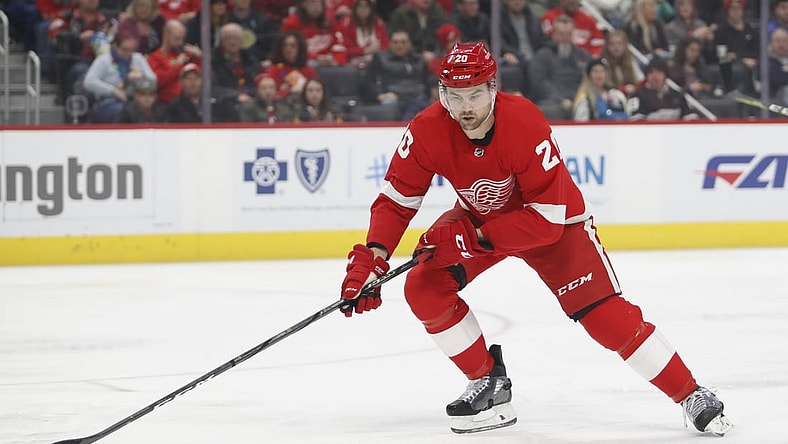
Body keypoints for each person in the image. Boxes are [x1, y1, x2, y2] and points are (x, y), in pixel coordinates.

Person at [338, 41, 733, 436]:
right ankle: (489, 382)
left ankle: (690, 393)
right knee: (424, 286)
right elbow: (396, 199)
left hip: (555, 226)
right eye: (454, 97)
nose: (465, 108)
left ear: (493, 88)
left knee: (605, 319)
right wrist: (373, 257)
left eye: (475, 94)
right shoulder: (427, 128)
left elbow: (546, 221)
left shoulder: (524, 121)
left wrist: (465, 238)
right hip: (482, 219)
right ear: (443, 94)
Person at [83, 31, 156, 122]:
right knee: (126, 112)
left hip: (136, 101)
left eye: (131, 49)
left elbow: (153, 79)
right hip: (108, 102)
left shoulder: (137, 58)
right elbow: (89, 82)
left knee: (156, 110)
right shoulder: (104, 60)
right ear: (115, 46)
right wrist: (113, 91)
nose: (128, 53)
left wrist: (142, 76)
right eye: (125, 49)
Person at [528, 15, 591, 120]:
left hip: (579, 100)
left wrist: (578, 99)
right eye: (561, 34)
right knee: (548, 111)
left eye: (569, 34)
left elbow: (588, 80)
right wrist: (561, 100)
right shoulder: (542, 55)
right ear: (553, 34)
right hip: (551, 101)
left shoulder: (583, 56)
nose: (565, 38)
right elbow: (539, 83)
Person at [146, 19, 202, 104]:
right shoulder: (154, 57)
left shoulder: (187, 54)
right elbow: (157, 82)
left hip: (192, 102)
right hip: (168, 104)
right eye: (177, 38)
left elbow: (200, 75)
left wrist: (199, 58)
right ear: (166, 36)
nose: (180, 42)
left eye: (182, 38)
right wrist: (177, 66)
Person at [630, 57, 699, 120]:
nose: (655, 76)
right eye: (651, 72)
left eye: (659, 72)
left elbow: (691, 119)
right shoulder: (637, 96)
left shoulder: (678, 96)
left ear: (665, 75)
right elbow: (636, 123)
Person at [541, 0, 605, 56]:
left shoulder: (588, 19)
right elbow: (546, 42)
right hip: (557, 59)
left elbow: (599, 43)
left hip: (585, 61)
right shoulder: (548, 18)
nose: (573, 1)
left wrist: (592, 59)